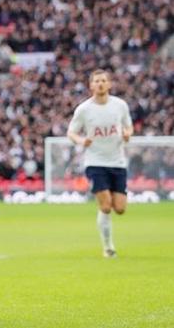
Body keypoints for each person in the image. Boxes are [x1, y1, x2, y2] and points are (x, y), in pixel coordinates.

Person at [67, 69, 133, 258]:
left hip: (118, 162)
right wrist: (81, 141)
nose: (100, 84)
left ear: (109, 84)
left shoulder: (120, 105)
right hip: (95, 162)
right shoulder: (84, 109)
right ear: (91, 85)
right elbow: (71, 132)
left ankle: (108, 242)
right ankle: (108, 247)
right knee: (105, 206)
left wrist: (128, 133)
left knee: (119, 209)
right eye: (97, 81)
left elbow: (129, 125)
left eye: (104, 80)